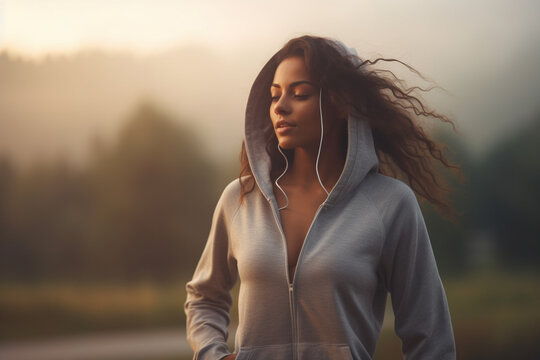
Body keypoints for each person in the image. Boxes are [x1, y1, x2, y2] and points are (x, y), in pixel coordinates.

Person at [184, 35, 459, 360]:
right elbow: (204, 297)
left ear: (342, 104)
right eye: (274, 96)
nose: (280, 106)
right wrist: (212, 355)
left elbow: (431, 336)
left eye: (300, 93)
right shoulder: (240, 198)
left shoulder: (390, 204)